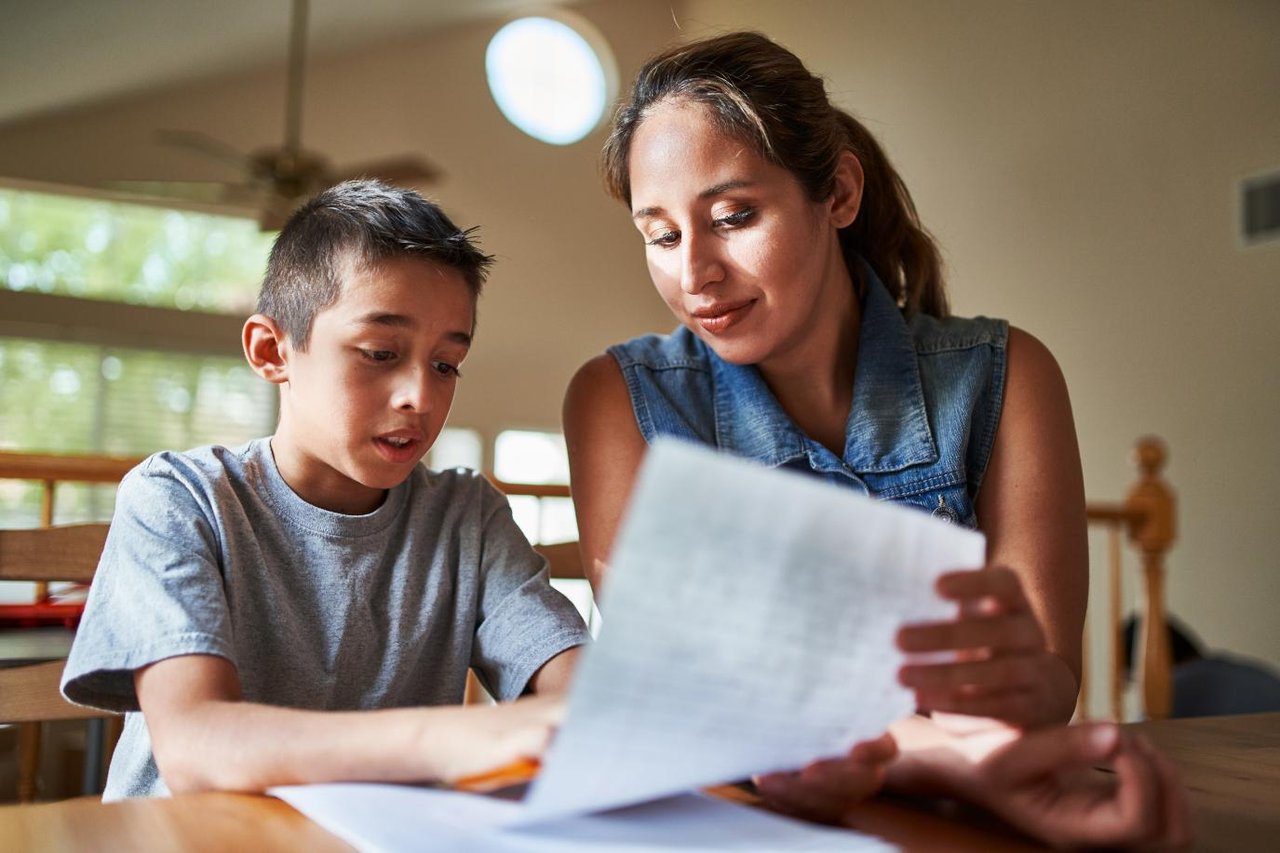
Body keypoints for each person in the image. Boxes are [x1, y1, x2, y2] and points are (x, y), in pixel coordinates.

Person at [564, 31, 1188, 847]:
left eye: (733, 217)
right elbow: (698, 699)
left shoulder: (1008, 376)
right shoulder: (616, 400)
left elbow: (1043, 690)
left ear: (840, 194)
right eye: (661, 234)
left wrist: (1014, 689)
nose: (695, 275)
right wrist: (947, 746)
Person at [61, 180, 591, 800]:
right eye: (379, 352)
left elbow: (574, 692)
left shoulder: (465, 517)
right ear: (272, 350)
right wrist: (450, 741)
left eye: (446, 363)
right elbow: (196, 747)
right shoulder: (178, 498)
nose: (420, 397)